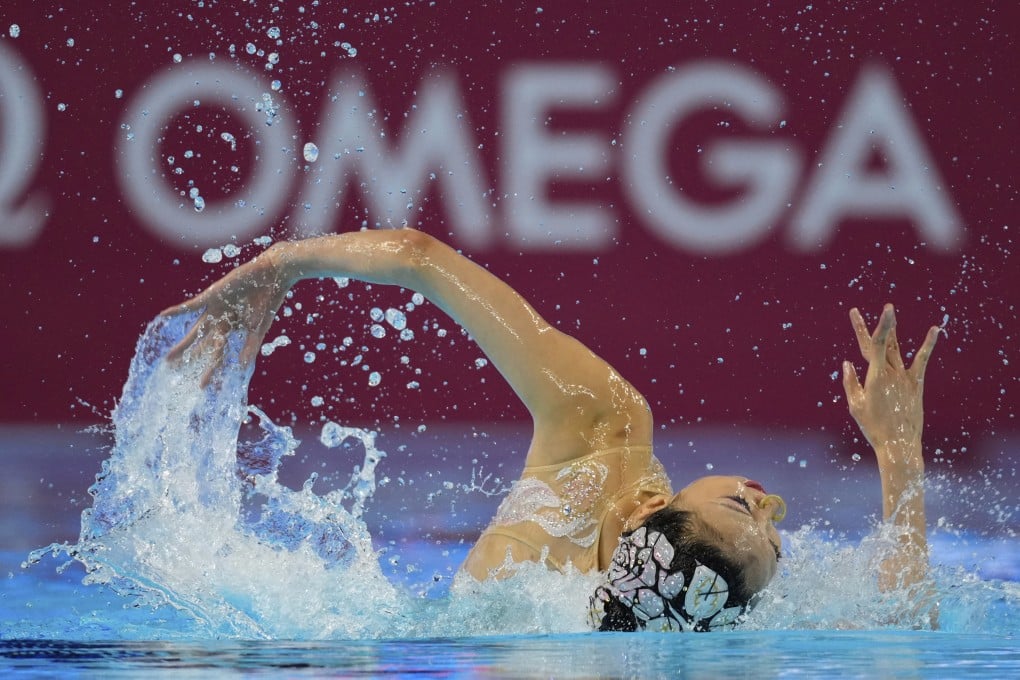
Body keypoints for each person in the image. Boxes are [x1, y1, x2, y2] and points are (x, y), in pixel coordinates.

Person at [163, 227, 940, 632]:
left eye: (753, 517)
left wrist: (280, 265)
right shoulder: (701, 620)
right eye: (763, 522)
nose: (769, 504)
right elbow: (907, 628)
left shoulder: (602, 428)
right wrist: (898, 453)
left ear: (646, 515)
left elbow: (418, 257)